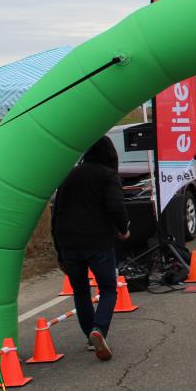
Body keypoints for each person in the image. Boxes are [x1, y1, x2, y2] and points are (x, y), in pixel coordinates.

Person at [51, 136, 130, 361]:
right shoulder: (108, 175)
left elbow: (56, 213)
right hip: (98, 241)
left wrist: (59, 251)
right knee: (108, 289)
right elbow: (116, 206)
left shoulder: (68, 174)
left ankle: (89, 336)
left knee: (81, 291)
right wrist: (123, 228)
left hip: (68, 242)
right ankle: (99, 329)